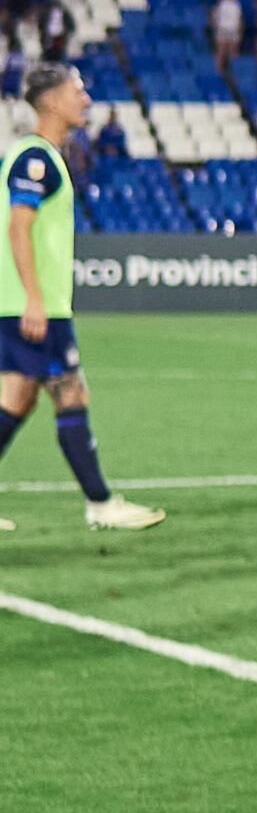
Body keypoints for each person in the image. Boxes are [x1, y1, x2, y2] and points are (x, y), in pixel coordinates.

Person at [0, 63, 160, 534]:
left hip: (23, 303)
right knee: (71, 393)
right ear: (49, 99)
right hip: (34, 306)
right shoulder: (36, 159)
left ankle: (100, 502)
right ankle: (100, 502)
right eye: (77, 90)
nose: (85, 99)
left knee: (17, 398)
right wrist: (33, 298)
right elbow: (18, 227)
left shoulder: (42, 155)